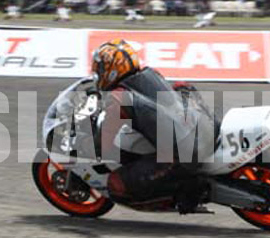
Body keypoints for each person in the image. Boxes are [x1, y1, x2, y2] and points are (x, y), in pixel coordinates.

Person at [89, 40, 217, 213]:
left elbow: (104, 141)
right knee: (181, 87)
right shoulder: (150, 74)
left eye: (100, 68)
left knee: (116, 185)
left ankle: (186, 189)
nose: (97, 72)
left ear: (112, 70)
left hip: (184, 156)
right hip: (206, 129)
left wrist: (89, 146)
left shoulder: (119, 97)